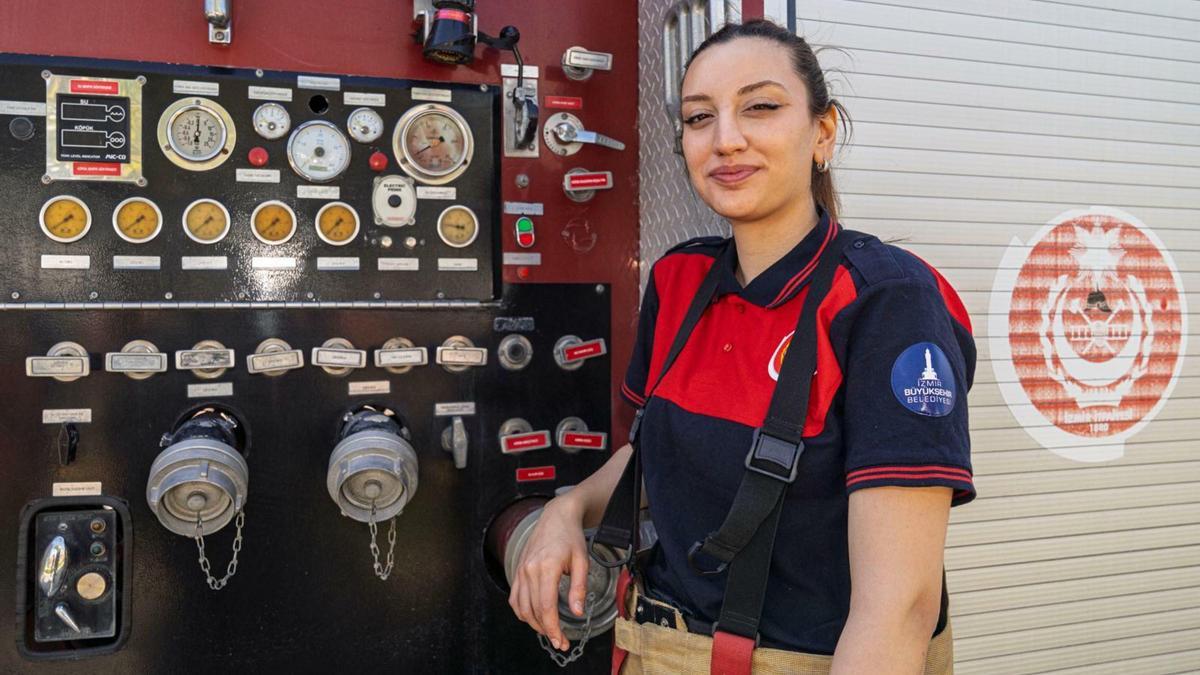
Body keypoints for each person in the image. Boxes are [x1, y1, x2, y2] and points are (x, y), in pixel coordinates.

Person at [509, 19, 975, 674]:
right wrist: (569, 507)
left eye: (760, 106)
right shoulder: (678, 281)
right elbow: (654, 458)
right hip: (652, 649)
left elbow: (897, 610)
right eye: (701, 118)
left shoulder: (888, 300)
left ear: (823, 132)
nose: (727, 139)